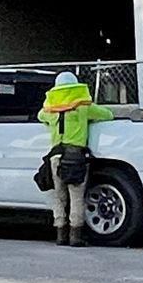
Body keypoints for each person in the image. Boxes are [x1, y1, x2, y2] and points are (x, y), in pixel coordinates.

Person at [39, 71, 114, 247]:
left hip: (55, 157)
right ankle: (75, 236)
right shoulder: (84, 107)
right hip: (76, 157)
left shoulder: (49, 111)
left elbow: (40, 116)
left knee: (59, 197)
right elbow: (107, 114)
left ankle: (60, 234)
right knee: (77, 197)